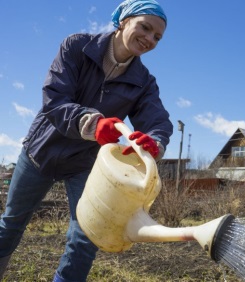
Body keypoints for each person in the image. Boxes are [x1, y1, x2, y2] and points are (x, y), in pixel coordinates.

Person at [0, 0, 173, 281]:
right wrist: (93, 123)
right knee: (11, 223)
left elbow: (158, 122)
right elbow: (54, 99)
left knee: (85, 237)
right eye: (145, 27)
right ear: (123, 21)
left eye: (158, 37)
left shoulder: (144, 82)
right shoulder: (77, 47)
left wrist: (154, 142)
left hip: (85, 164)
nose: (150, 39)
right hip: (40, 152)